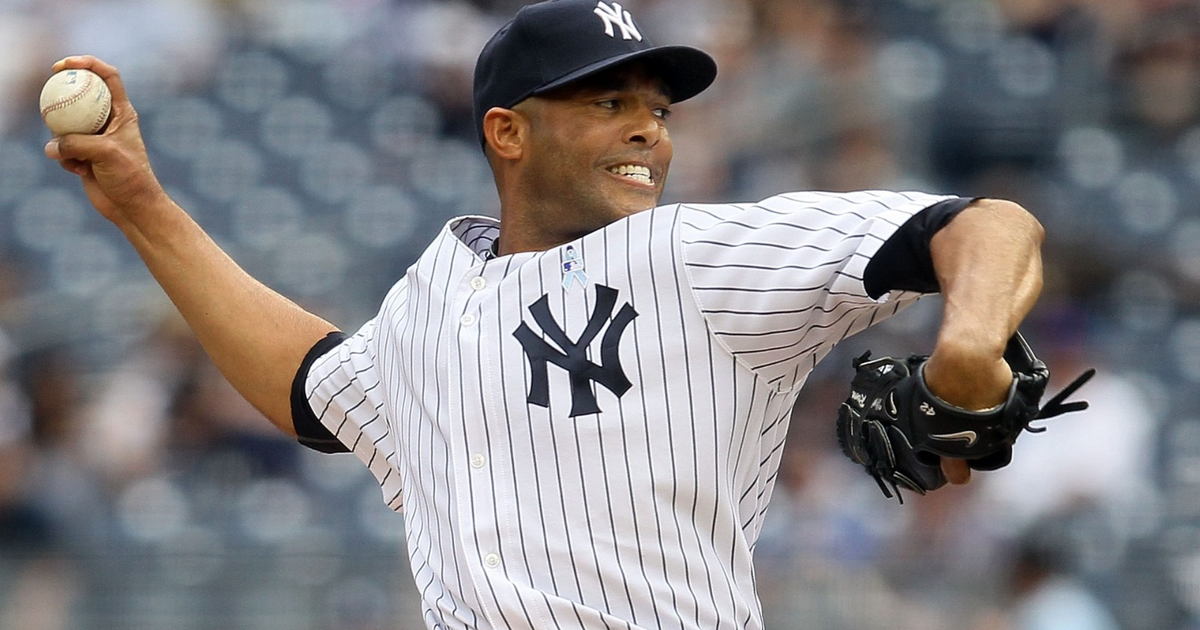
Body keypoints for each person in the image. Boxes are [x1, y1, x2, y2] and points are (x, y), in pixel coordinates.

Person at [43, 1, 1047, 627]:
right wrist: (141, 202)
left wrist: (969, 346)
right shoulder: (433, 293)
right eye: (608, 102)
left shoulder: (695, 254)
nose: (648, 126)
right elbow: (313, 392)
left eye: (656, 105)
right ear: (507, 132)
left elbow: (986, 228)